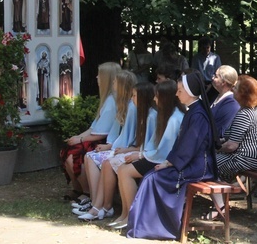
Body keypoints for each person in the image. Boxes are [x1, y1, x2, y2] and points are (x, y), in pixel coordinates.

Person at [127, 72, 218, 240]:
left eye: (180, 91)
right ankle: (145, 225)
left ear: (190, 92)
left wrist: (170, 164)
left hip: (198, 166)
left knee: (153, 178)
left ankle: (157, 227)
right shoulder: (193, 111)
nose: (177, 94)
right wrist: (169, 161)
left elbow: (190, 147)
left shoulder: (198, 114)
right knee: (151, 176)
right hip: (189, 162)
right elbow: (181, 144)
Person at [114, 80, 184, 229]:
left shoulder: (174, 119)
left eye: (157, 96)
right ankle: (125, 214)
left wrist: (140, 156)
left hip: (165, 161)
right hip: (156, 156)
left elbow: (164, 151)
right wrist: (141, 154)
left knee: (125, 172)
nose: (154, 99)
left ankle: (132, 215)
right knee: (122, 169)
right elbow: (154, 143)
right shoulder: (167, 114)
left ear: (165, 98)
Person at [75, 70, 138, 219]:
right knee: (90, 157)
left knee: (100, 160)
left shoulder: (132, 106)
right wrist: (109, 145)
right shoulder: (121, 104)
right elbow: (117, 133)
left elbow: (129, 136)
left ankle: (101, 206)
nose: (113, 84)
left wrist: (112, 148)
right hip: (117, 147)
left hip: (125, 149)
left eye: (116, 82)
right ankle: (96, 202)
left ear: (122, 85)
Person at [208, 75, 257, 220]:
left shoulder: (244, 114)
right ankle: (221, 202)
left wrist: (214, 149)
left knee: (209, 164)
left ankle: (220, 209)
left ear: (243, 93)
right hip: (255, 157)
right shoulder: (254, 109)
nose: (233, 89)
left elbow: (231, 146)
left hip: (246, 157)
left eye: (236, 88)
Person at [61, 62, 121, 204]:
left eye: (100, 75)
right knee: (67, 150)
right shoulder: (106, 100)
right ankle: (79, 189)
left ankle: (88, 192)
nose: (96, 77)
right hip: (97, 138)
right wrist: (78, 137)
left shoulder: (112, 102)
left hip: (105, 142)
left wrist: (80, 140)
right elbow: (94, 127)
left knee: (73, 155)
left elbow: (102, 133)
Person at [210, 65, 240, 140]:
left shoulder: (231, 103)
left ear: (223, 82)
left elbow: (220, 130)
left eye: (216, 76)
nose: (212, 78)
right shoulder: (217, 96)